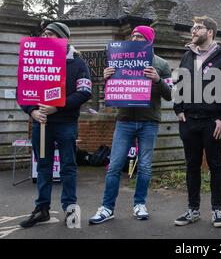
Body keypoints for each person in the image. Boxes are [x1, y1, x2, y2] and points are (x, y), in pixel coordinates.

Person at [89, 26, 173, 224]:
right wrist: (107, 77)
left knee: (144, 166)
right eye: (133, 35)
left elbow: (169, 93)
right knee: (114, 165)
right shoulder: (118, 59)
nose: (134, 37)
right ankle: (107, 208)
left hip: (149, 121)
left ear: (149, 41)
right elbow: (110, 93)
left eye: (139, 36)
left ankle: (140, 204)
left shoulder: (161, 64)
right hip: (125, 120)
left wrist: (158, 79)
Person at [20, 22, 92, 228]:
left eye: (50, 34)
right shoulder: (33, 60)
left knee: (68, 167)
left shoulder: (78, 63)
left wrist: (57, 107)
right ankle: (42, 209)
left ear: (63, 38)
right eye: (44, 33)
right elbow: (23, 90)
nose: (45, 36)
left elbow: (85, 92)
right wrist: (31, 110)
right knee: (43, 167)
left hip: (66, 124)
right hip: (41, 124)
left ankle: (70, 209)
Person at [173, 16, 221, 228]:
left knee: (215, 165)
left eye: (198, 28)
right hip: (189, 122)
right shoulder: (186, 57)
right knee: (192, 166)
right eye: (192, 27)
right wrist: (178, 109)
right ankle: (193, 210)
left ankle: (217, 211)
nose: (193, 31)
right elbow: (177, 86)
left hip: (213, 123)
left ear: (210, 32)